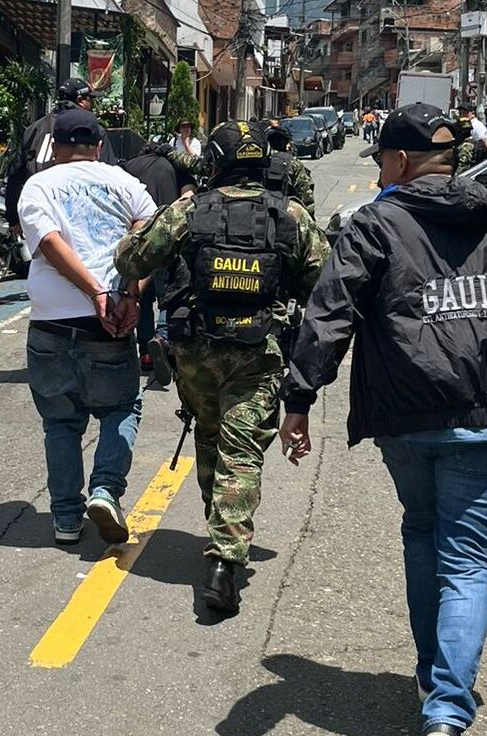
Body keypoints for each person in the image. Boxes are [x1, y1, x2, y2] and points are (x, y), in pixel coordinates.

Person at [278, 103, 487, 736]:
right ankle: (445, 716)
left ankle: (434, 683)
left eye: (381, 160)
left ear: (400, 161)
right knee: (466, 562)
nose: (379, 170)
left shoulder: (375, 223)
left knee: (422, 533)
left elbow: (330, 312)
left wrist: (299, 397)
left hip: (406, 415)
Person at [115, 120, 330, 614]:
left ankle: (221, 529)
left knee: (211, 437)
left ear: (213, 163)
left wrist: (140, 233)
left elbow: (131, 261)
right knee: (242, 450)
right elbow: (325, 282)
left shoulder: (190, 210)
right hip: (258, 354)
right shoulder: (291, 215)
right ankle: (226, 558)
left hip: (196, 352)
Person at [18, 108, 157, 546]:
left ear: (56, 147)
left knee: (61, 422)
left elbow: (48, 242)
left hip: (51, 320)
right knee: (121, 407)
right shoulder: (125, 183)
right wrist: (127, 292)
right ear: (98, 146)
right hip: (111, 321)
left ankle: (66, 519)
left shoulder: (38, 185)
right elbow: (151, 236)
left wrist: (91, 290)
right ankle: (105, 490)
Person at [6, 77, 117, 234]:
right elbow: (108, 177)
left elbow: (15, 175)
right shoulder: (92, 130)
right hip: (77, 218)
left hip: (38, 215)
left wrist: (14, 219)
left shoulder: (34, 129)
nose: (92, 105)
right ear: (81, 100)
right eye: (90, 100)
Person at [121, 145, 196, 377]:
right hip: (170, 238)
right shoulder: (175, 167)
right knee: (170, 293)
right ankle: (162, 336)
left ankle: (145, 351)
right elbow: (189, 194)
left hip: (140, 239)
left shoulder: (129, 166)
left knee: (142, 296)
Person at [265, 119, 316, 217]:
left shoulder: (259, 161)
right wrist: (310, 219)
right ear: (284, 143)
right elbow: (306, 197)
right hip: (287, 215)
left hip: (261, 215)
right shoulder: (293, 163)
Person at [454, 102, 487, 173]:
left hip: (471, 162)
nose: (462, 115)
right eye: (460, 113)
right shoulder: (462, 124)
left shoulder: (476, 126)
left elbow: (484, 143)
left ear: (473, 113)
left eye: (465, 113)